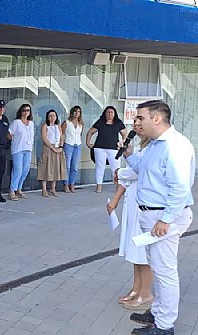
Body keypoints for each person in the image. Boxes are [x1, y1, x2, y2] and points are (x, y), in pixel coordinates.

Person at [124, 100, 194, 335]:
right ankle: (157, 312)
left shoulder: (176, 146)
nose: (137, 123)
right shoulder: (155, 145)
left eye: (141, 117)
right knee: (156, 266)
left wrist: (166, 219)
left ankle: (165, 326)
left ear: (157, 118)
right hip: (152, 214)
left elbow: (180, 187)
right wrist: (129, 155)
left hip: (163, 217)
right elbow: (142, 169)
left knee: (165, 271)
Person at [107, 119, 153, 311]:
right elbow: (128, 177)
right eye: (135, 122)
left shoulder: (154, 149)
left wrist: (121, 171)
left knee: (143, 251)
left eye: (141, 121)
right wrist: (115, 200)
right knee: (134, 248)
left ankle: (146, 293)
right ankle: (136, 288)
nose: (137, 126)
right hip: (133, 203)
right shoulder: (139, 149)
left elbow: (137, 173)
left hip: (145, 204)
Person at [85, 105, 127, 193]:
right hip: (99, 147)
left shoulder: (118, 123)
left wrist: (123, 142)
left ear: (115, 114)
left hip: (114, 148)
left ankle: (117, 187)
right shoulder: (100, 122)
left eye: (111, 112)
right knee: (100, 167)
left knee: (115, 168)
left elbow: (124, 134)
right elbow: (91, 131)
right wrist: (88, 143)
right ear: (105, 113)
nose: (110, 114)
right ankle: (99, 186)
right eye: (108, 112)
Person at [37, 109, 67, 197]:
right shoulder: (45, 126)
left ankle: (53, 188)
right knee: (46, 167)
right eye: (50, 116)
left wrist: (61, 147)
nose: (52, 117)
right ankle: (44, 189)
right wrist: (52, 147)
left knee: (56, 168)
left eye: (54, 115)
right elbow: (44, 138)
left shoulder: (58, 126)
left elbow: (62, 137)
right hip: (48, 147)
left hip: (58, 147)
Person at [8, 104, 35, 201]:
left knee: (25, 170)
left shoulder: (31, 123)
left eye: (27, 110)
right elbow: (9, 134)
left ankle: (19, 188)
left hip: (28, 149)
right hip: (18, 149)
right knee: (17, 170)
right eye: (24, 110)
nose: (26, 112)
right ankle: (12, 190)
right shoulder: (16, 123)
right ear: (20, 111)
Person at [61, 105, 84, 193]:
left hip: (77, 144)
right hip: (68, 144)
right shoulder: (66, 123)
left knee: (75, 165)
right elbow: (62, 134)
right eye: (75, 111)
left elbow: (80, 134)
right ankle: (65, 184)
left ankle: (72, 183)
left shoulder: (80, 124)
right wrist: (61, 144)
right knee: (67, 165)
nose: (76, 113)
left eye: (78, 112)